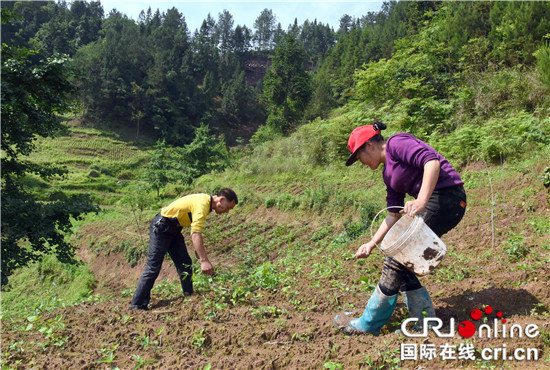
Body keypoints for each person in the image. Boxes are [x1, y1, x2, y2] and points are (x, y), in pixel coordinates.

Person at [333, 121, 466, 335]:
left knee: (396, 256)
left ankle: (368, 324)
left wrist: (421, 200)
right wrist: (372, 243)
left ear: (369, 146)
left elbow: (431, 162)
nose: (363, 163)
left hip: (448, 197)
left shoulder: (397, 143)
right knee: (402, 261)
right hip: (436, 202)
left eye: (360, 158)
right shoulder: (388, 174)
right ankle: (425, 321)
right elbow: (393, 214)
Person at [130, 188, 238, 310]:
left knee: (185, 263)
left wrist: (199, 252)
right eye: (228, 207)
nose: (227, 211)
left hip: (174, 230)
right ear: (221, 200)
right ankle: (137, 305)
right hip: (161, 228)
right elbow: (196, 233)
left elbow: (195, 231)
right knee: (153, 267)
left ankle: (189, 294)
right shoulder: (203, 203)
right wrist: (204, 260)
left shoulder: (206, 204)